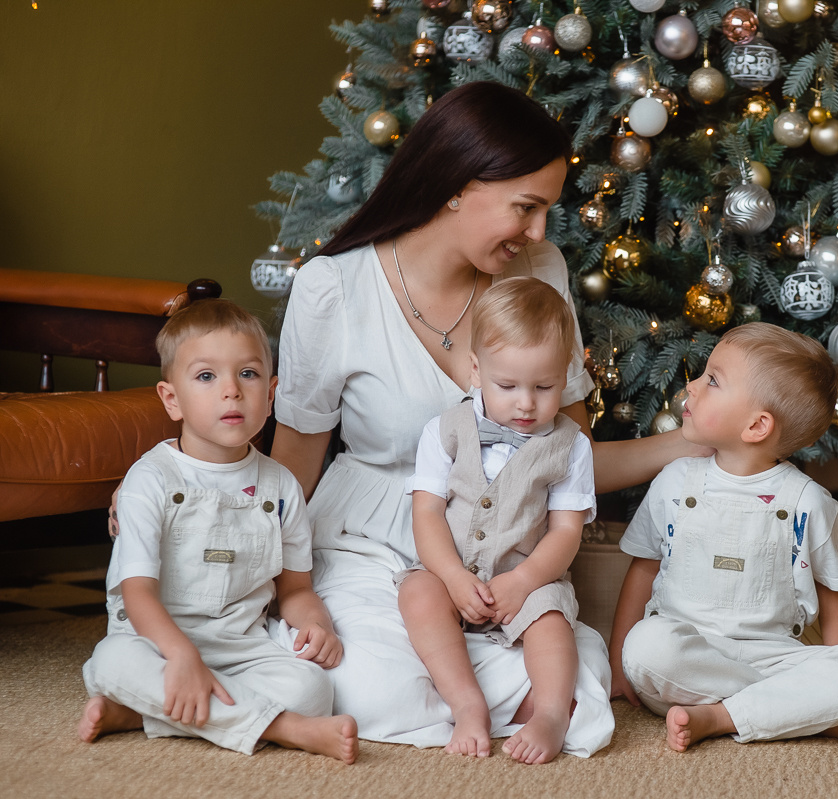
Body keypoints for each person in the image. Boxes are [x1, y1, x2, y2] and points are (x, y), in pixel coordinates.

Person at [266, 80, 706, 756]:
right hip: (369, 541)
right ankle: (480, 695)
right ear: (456, 185)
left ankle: (502, 696)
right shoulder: (335, 288)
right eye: (525, 208)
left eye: (546, 212)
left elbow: (571, 455)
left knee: (576, 690)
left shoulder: (539, 271)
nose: (537, 232)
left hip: (503, 553)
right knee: (362, 682)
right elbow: (292, 467)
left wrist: (691, 441)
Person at [80, 299, 357, 764]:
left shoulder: (281, 484)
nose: (231, 391)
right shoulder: (150, 481)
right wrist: (183, 657)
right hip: (155, 643)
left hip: (241, 648)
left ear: (270, 394)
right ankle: (286, 729)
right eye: (206, 376)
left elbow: (294, 588)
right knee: (110, 663)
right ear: (172, 399)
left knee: (313, 688)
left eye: (247, 375)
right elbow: (137, 595)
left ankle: (142, 715)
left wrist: (315, 622)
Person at [608, 322, 838, 752]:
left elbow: (835, 593)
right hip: (687, 657)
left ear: (757, 426)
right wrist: (618, 662)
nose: (692, 384)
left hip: (773, 655)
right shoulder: (675, 482)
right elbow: (644, 567)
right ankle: (794, 709)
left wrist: (837, 671)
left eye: (712, 380)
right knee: (646, 646)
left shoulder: (808, 502)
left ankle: (721, 717)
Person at [398, 277, 597, 764]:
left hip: (527, 578)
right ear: (475, 370)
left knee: (552, 620)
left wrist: (524, 580)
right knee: (417, 592)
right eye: (507, 386)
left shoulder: (571, 446)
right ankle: (468, 705)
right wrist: (451, 575)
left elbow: (566, 530)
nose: (526, 403)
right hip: (456, 571)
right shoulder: (444, 430)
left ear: (566, 374)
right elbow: (426, 513)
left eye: (544, 387)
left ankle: (550, 714)